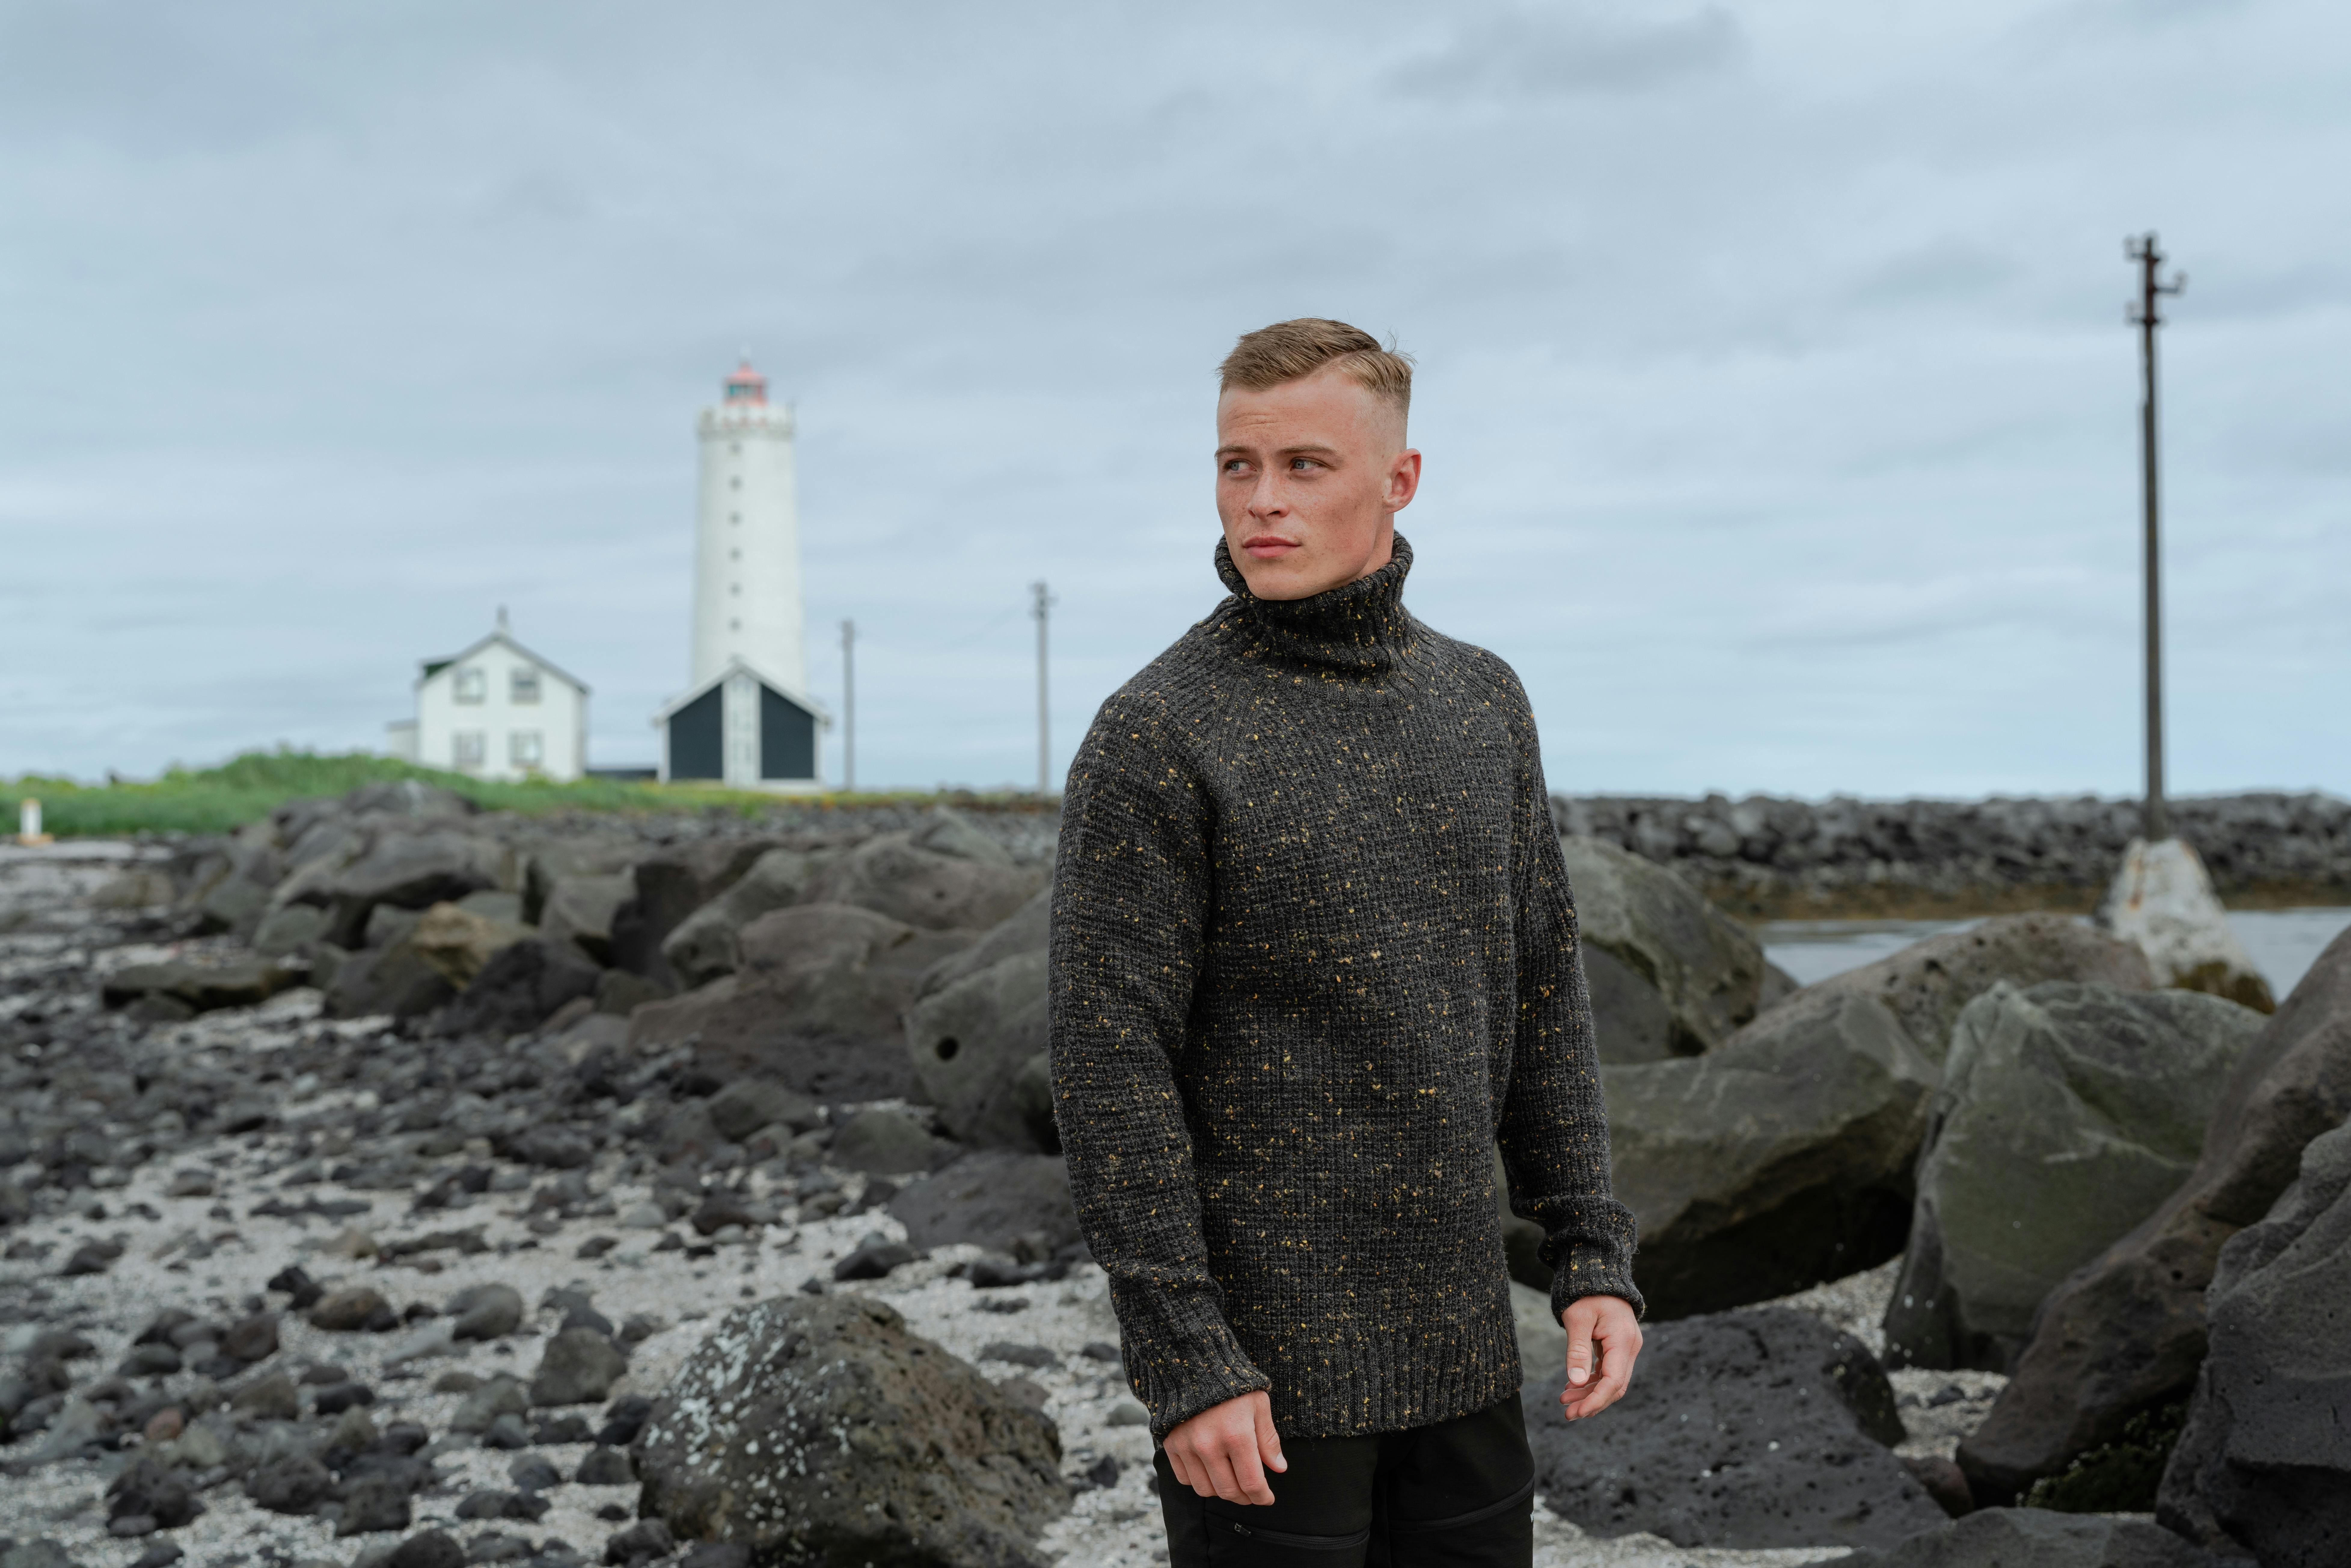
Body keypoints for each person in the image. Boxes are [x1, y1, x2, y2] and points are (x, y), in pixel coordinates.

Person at [1048, 318, 1645, 1566]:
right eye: (1235, 465)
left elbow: (1539, 995)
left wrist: (1591, 1252)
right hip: (1263, 1392)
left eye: (1304, 466)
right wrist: (1186, 1357)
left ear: (1400, 479)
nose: (1260, 503)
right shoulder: (1156, 735)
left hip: (1465, 1351)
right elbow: (1112, 1069)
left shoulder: (1482, 703)